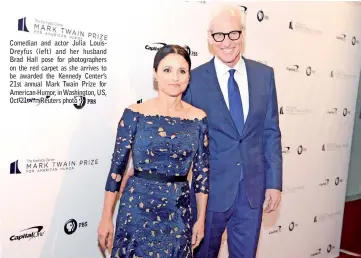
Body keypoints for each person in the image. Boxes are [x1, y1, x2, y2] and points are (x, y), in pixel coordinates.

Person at [182, 5, 283, 258]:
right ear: (209, 38)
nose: (226, 42)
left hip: (252, 190)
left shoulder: (264, 75)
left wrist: (274, 183)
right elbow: (186, 140)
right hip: (209, 193)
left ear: (243, 34)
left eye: (233, 34)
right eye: (219, 35)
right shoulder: (193, 80)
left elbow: (271, 132)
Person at [97, 45, 210, 258]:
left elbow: (202, 175)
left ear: (188, 77)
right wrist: (106, 217)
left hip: (178, 211)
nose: (175, 77)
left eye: (182, 71)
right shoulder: (134, 114)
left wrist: (200, 220)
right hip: (136, 210)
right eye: (167, 70)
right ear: (155, 74)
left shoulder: (199, 119)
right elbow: (117, 170)